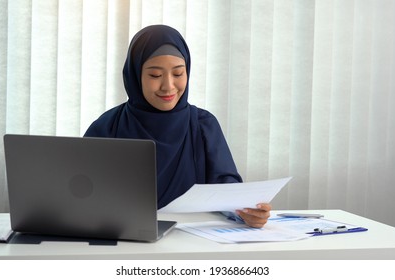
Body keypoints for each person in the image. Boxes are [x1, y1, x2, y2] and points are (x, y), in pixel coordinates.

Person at [84, 24, 270, 228]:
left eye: (178, 74)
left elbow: (227, 188)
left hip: (190, 241)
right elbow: (81, 191)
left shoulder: (203, 125)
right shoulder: (108, 127)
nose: (168, 86)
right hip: (123, 239)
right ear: (135, 76)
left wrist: (246, 212)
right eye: (155, 75)